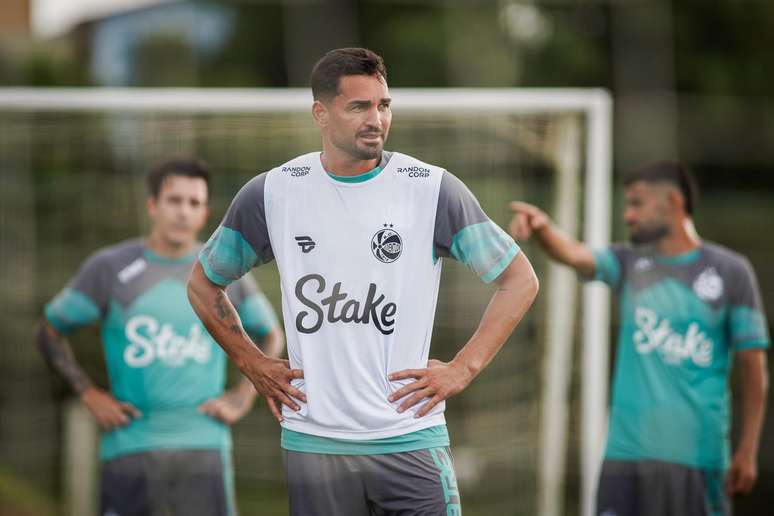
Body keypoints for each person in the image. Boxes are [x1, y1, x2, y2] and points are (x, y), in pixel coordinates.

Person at [187, 47, 539, 515]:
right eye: (359, 106)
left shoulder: (430, 189)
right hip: (315, 443)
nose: (376, 118)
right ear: (321, 112)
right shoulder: (273, 193)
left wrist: (463, 368)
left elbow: (519, 280)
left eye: (383, 105)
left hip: (409, 437)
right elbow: (202, 283)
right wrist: (252, 363)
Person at [508, 161, 769, 516]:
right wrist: (543, 228)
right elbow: (576, 254)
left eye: (637, 203)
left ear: (673, 203)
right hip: (625, 459)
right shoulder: (629, 263)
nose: (628, 215)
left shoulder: (730, 272)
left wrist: (748, 448)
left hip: (698, 461)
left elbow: (753, 364)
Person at [37, 158, 283, 516]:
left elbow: (271, 334)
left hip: (204, 445)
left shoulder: (223, 272)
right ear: (153, 205)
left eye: (194, 203)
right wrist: (89, 394)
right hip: (130, 448)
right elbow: (48, 330)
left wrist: (243, 396)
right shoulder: (109, 268)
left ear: (205, 213)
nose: (183, 212)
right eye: (174, 200)